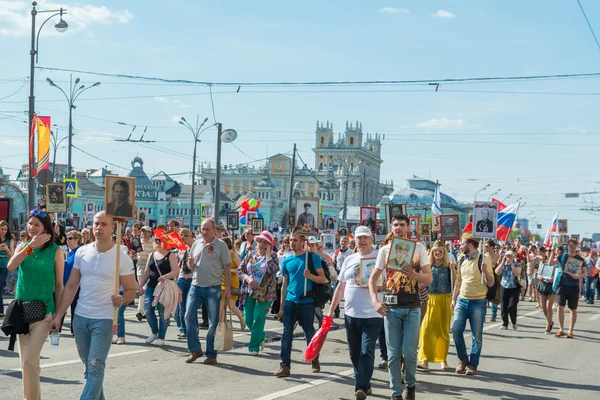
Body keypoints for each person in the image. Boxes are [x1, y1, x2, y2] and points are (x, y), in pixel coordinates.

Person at [50, 211, 136, 399]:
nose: (99, 227)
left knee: (96, 365)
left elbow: (131, 290)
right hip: (80, 318)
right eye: (96, 223)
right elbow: (71, 286)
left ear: (113, 228)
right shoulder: (82, 252)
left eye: (104, 224)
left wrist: (123, 300)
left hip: (104, 319)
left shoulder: (121, 257)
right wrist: (58, 316)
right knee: (89, 368)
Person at [369, 214, 432, 400]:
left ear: (407, 228)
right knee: (393, 353)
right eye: (395, 225)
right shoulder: (385, 250)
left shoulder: (419, 248)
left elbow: (429, 278)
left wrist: (415, 275)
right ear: (392, 227)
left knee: (411, 352)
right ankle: (396, 393)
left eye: (402, 225)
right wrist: (375, 301)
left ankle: (410, 384)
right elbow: (372, 279)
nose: (398, 227)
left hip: (413, 306)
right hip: (391, 308)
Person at [7, 210, 64, 399]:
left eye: (37, 225)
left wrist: (59, 315)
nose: (31, 227)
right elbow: (11, 266)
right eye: (30, 223)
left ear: (46, 229)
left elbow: (59, 284)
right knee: (26, 363)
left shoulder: (56, 251)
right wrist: (31, 245)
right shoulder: (24, 246)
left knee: (31, 359)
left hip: (44, 312)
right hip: (22, 311)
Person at [327, 226, 380, 400]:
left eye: (365, 237)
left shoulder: (380, 257)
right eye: (359, 238)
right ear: (354, 241)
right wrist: (331, 310)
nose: (362, 241)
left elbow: (390, 283)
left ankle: (361, 387)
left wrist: (375, 286)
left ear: (371, 239)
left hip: (373, 313)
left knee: (367, 350)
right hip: (351, 313)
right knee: (354, 352)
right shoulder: (350, 259)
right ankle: (365, 383)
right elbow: (340, 286)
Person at [275, 229, 326, 378]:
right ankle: (285, 365)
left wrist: (311, 276)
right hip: (291, 302)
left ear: (303, 242)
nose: (292, 242)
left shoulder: (312, 258)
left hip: (307, 303)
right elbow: (284, 285)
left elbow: (323, 279)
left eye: (295, 240)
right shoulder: (286, 261)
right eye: (291, 240)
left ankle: (314, 358)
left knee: (309, 333)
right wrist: (281, 307)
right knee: (286, 334)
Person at [185, 219, 231, 365]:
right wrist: (190, 264)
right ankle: (195, 349)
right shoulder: (196, 244)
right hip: (196, 286)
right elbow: (190, 264)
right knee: (188, 316)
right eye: (202, 229)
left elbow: (227, 268)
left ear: (213, 230)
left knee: (213, 322)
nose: (204, 232)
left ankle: (211, 354)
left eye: (207, 229)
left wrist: (228, 288)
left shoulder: (221, 245)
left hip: (213, 287)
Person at [451, 234, 494, 376]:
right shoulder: (461, 258)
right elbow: (458, 280)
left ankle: (472, 365)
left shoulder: (484, 259)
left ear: (470, 245)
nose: (460, 246)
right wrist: (454, 298)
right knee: (456, 330)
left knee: (477, 336)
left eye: (462, 243)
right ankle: (462, 359)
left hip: (478, 302)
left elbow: (491, 283)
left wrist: (485, 270)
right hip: (462, 300)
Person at [237, 231, 279, 354]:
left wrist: (268, 256)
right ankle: (260, 336)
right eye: (260, 241)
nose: (261, 244)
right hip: (249, 291)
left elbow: (274, 270)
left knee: (258, 318)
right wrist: (247, 278)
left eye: (265, 242)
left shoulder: (273, 256)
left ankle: (253, 346)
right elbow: (239, 271)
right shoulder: (250, 255)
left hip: (266, 293)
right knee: (248, 319)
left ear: (270, 245)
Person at [417, 241, 455, 371]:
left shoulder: (449, 267)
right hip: (430, 299)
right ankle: (424, 360)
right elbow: (422, 283)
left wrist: (454, 269)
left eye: (441, 251)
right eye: (435, 251)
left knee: (443, 331)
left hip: (445, 299)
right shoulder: (427, 267)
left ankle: (442, 359)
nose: (438, 253)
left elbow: (455, 284)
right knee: (426, 329)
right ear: (432, 252)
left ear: (445, 253)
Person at [137, 234, 180, 347]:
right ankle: (155, 332)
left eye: (159, 240)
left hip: (164, 287)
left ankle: (161, 337)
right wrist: (141, 286)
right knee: (148, 310)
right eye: (156, 239)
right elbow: (147, 271)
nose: (157, 241)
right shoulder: (152, 254)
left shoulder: (170, 256)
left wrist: (165, 276)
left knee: (163, 312)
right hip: (151, 286)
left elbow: (176, 271)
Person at [549, 239, 585, 338]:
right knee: (560, 307)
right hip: (562, 285)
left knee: (573, 309)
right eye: (571, 246)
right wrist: (552, 253)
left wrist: (577, 276)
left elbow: (585, 273)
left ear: (576, 247)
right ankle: (561, 329)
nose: (572, 248)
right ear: (568, 246)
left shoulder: (580, 259)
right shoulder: (563, 256)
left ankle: (570, 331)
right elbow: (550, 263)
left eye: (574, 246)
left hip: (573, 287)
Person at [60, 230, 82, 335]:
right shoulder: (68, 252)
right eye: (67, 238)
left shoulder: (79, 252)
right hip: (65, 283)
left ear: (77, 239)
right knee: (61, 306)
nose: (67, 240)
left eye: (70, 238)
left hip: (75, 284)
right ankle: (57, 327)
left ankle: (74, 330)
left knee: (74, 307)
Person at [221, 236, 245, 331]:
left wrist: (229, 270)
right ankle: (222, 328)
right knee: (221, 307)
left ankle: (241, 319)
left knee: (231, 306)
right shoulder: (220, 255)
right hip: (222, 281)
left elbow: (240, 269)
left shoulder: (233, 255)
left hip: (232, 282)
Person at [495, 251, 522, 330]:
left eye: (510, 256)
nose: (508, 258)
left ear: (513, 257)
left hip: (514, 287)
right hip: (504, 286)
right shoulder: (503, 264)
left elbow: (516, 274)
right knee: (504, 307)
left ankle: (514, 322)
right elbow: (497, 272)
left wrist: (512, 264)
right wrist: (502, 262)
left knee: (512, 306)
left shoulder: (517, 264)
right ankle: (505, 323)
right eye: (507, 256)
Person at [176, 228, 195, 339]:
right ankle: (183, 329)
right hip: (182, 278)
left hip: (193, 278)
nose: (181, 240)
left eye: (182, 238)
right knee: (181, 305)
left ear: (188, 236)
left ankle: (192, 328)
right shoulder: (181, 249)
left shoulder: (196, 247)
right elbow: (179, 263)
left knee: (190, 306)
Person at [136, 226, 154, 321]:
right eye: (142, 231)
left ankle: (143, 311)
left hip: (150, 270)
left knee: (146, 290)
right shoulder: (138, 242)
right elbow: (135, 254)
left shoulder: (153, 242)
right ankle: (142, 311)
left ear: (150, 233)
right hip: (140, 268)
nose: (144, 233)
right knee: (141, 290)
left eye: (146, 232)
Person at [536, 249, 556, 334]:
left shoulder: (557, 262)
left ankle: (548, 325)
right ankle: (550, 321)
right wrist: (539, 276)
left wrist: (554, 279)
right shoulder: (542, 262)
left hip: (552, 286)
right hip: (543, 284)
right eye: (547, 251)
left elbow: (559, 273)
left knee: (548, 306)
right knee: (544, 307)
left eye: (550, 251)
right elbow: (538, 274)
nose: (548, 252)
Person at [0, 220, 15, 317]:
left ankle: (1, 310)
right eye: (2, 229)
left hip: (4, 265)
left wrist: (7, 249)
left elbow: (12, 256)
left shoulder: (10, 240)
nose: (4, 231)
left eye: (5, 229)